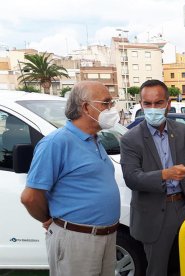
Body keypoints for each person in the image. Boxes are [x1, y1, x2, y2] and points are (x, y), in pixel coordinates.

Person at [120, 79, 185, 276]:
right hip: (154, 209)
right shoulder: (130, 139)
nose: (152, 108)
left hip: (184, 205)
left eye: (158, 103)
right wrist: (165, 174)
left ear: (168, 104)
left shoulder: (180, 130)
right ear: (141, 104)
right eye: (147, 104)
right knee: (157, 269)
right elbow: (132, 178)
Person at [20, 81, 121, 276]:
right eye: (106, 103)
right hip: (77, 240)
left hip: (106, 237)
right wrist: (49, 219)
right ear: (85, 107)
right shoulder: (56, 142)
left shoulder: (94, 139)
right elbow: (30, 197)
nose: (111, 108)